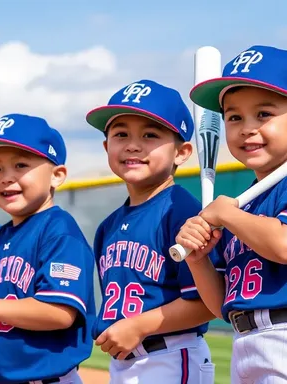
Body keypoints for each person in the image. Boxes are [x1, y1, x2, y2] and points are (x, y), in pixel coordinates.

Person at [175, 45, 287, 384]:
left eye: (264, 114)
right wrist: (198, 259)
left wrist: (228, 216)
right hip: (245, 339)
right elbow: (220, 305)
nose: (247, 128)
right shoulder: (245, 202)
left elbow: (286, 246)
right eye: (233, 117)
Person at [85, 79, 217, 383]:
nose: (133, 144)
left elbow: (206, 304)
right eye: (121, 134)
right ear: (107, 147)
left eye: (150, 134)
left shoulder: (181, 211)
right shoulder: (108, 227)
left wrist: (138, 326)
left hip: (171, 355)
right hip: (126, 361)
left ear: (182, 152)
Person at [0, 113, 96, 384]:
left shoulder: (58, 229)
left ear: (57, 175)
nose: (6, 178)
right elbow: (2, 327)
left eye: (20, 165)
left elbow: (59, 312)